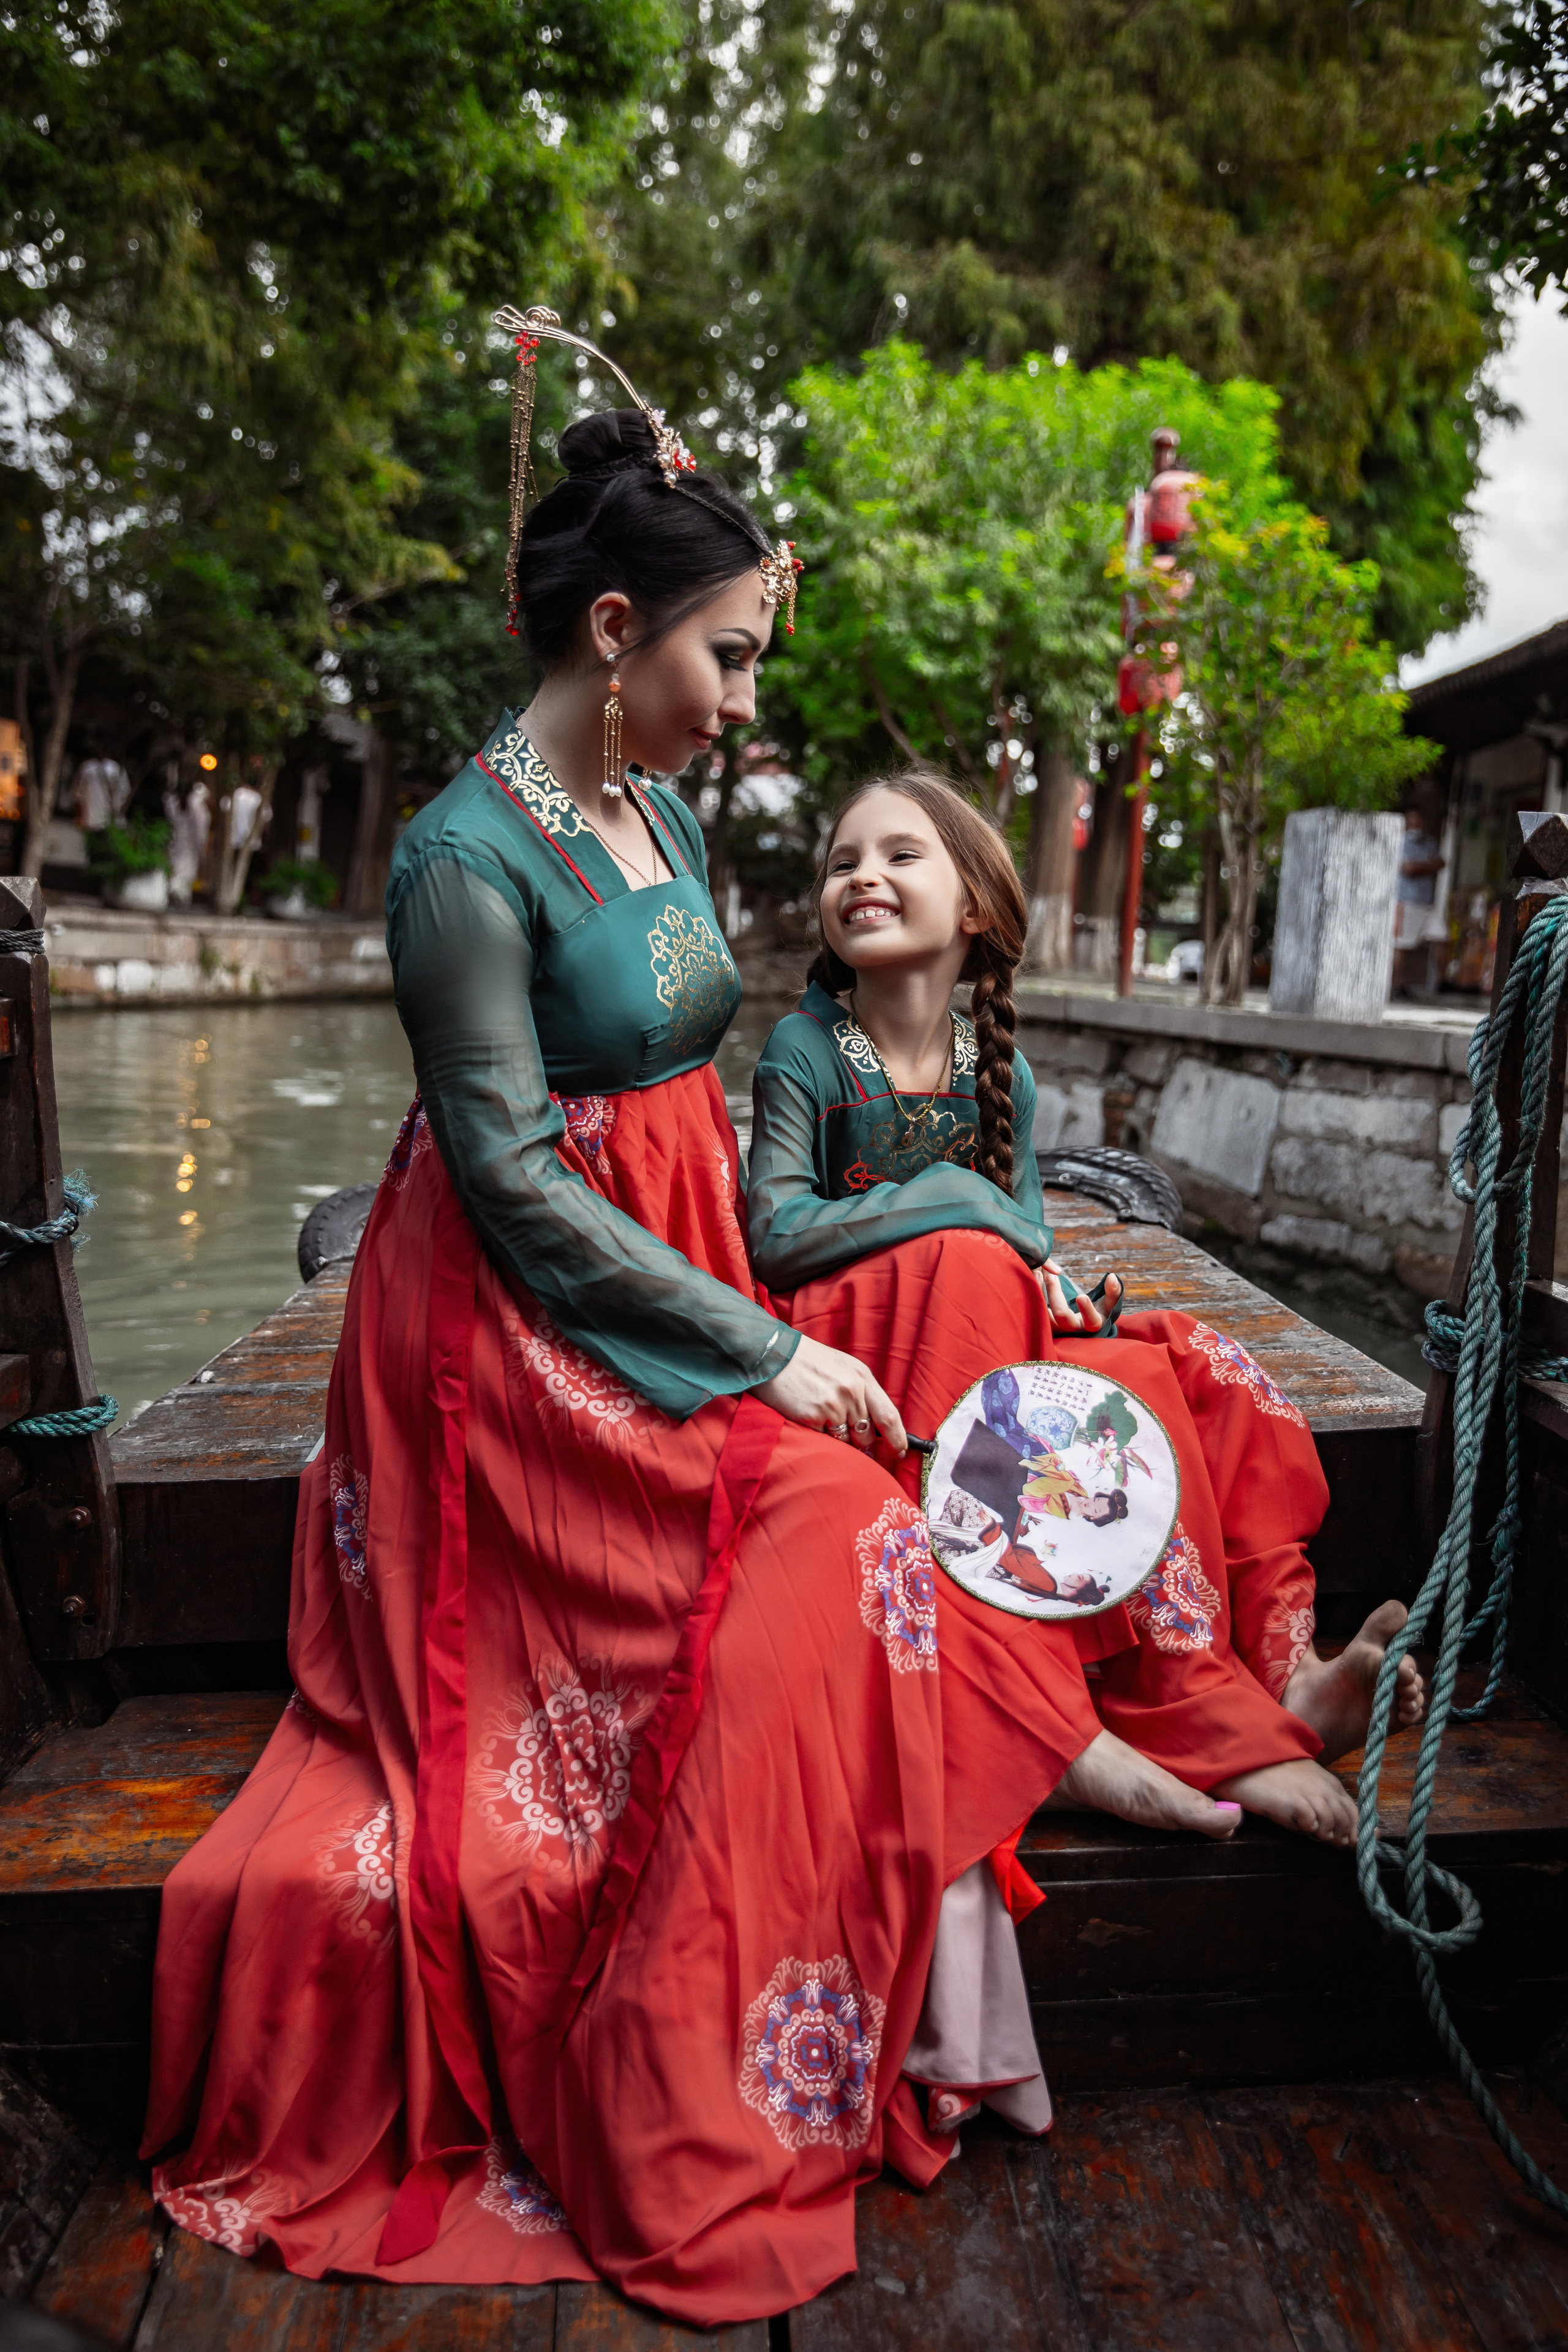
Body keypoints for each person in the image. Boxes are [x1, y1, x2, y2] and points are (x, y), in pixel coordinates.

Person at [748, 767, 1428, 1829]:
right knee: (991, 1289)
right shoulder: (806, 1053)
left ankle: (1284, 1671)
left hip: (984, 1317)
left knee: (1183, 1365)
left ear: (973, 907)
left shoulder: (999, 1075)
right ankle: (1176, 1721)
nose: (862, 876)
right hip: (867, 1339)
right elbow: (778, 1235)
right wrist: (951, 1204)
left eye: (897, 855)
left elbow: (1022, 1230)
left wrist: (1055, 1289)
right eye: (844, 861)